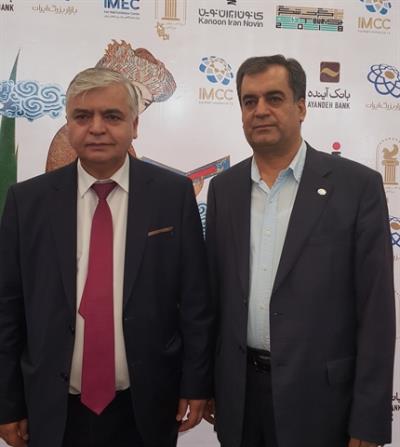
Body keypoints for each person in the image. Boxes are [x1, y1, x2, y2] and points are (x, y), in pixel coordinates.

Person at [0, 67, 213, 447]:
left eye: (112, 116)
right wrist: (7, 402)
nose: (96, 128)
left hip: (147, 404)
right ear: (68, 125)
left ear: (135, 125)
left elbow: (195, 300)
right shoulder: (27, 201)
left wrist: (196, 383)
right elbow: (7, 309)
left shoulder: (173, 194)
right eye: (82, 116)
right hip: (51, 407)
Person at [204, 55, 395, 447]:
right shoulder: (224, 189)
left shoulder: (357, 187)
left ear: (302, 106)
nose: (260, 110)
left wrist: (369, 418)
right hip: (240, 400)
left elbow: (376, 311)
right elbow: (213, 297)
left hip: (323, 404)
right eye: (249, 101)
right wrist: (206, 384)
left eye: (274, 98)